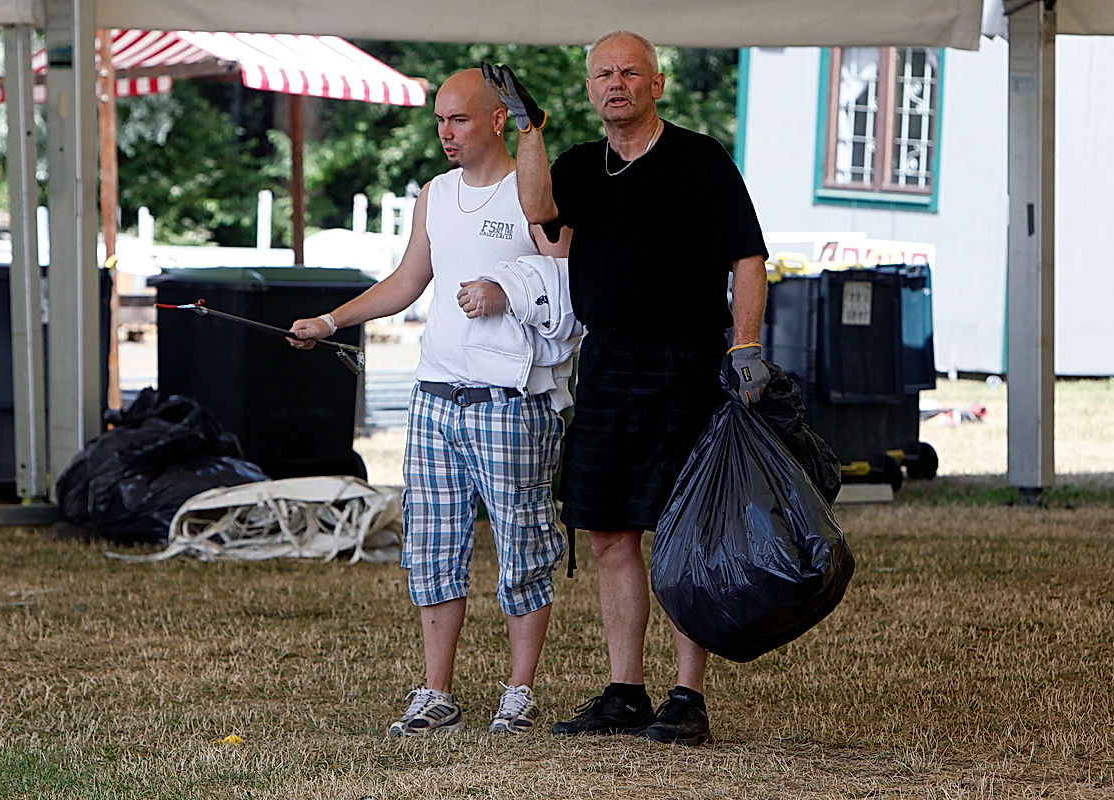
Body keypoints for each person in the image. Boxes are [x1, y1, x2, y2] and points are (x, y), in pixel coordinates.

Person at [483, 30, 771, 746]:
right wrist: (527, 127)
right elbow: (537, 208)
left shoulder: (701, 160)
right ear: (590, 90)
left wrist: (745, 348)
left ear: (657, 83)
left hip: (687, 363)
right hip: (607, 361)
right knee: (611, 531)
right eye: (605, 75)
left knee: (681, 532)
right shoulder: (582, 165)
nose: (617, 84)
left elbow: (748, 258)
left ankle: (687, 695)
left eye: (631, 73)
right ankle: (625, 691)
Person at [288, 68, 577, 738]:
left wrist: (505, 293)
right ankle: (435, 691)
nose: (446, 133)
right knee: (432, 544)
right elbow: (408, 279)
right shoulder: (435, 195)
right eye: (440, 121)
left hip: (509, 399)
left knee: (523, 544)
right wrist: (331, 322)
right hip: (436, 396)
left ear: (499, 120)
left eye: (461, 120)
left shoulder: (531, 193)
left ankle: (520, 691)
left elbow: (564, 275)